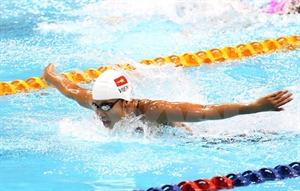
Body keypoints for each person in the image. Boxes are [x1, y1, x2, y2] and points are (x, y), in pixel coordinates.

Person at [43, 63, 293, 131]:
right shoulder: (99, 101)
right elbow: (70, 89)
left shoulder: (155, 111)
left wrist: (254, 107)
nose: (98, 113)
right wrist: (50, 76)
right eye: (96, 106)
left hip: (193, 142)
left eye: (106, 106)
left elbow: (208, 112)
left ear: (126, 101)